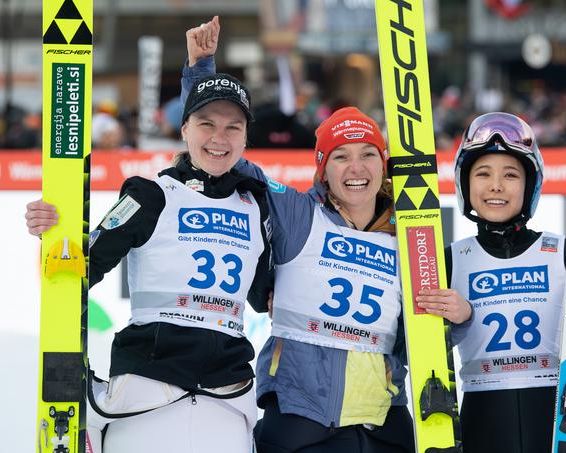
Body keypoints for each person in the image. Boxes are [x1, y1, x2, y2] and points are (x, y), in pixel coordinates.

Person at [181, 26, 475, 450]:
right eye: (341, 157)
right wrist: (200, 71)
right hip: (300, 422)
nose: (356, 169)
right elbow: (220, 155)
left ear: (384, 163)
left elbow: (425, 344)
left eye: (368, 155)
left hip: (382, 424)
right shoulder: (298, 213)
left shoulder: (412, 237)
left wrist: (458, 319)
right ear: (323, 168)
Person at [25, 19, 272, 453]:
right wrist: (54, 234)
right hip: (148, 386)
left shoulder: (254, 205)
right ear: (184, 129)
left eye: (233, 127)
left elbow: (265, 296)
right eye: (206, 124)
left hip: (227, 396)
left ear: (247, 137)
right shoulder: (151, 194)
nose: (219, 137)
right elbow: (82, 265)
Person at [417, 112, 566, 453]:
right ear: (465, 184)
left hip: (555, 416)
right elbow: (421, 346)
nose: (496, 186)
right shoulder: (449, 260)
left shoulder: (561, 253)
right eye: (483, 174)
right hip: (482, 418)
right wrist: (460, 319)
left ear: (530, 185)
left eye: (510, 175)